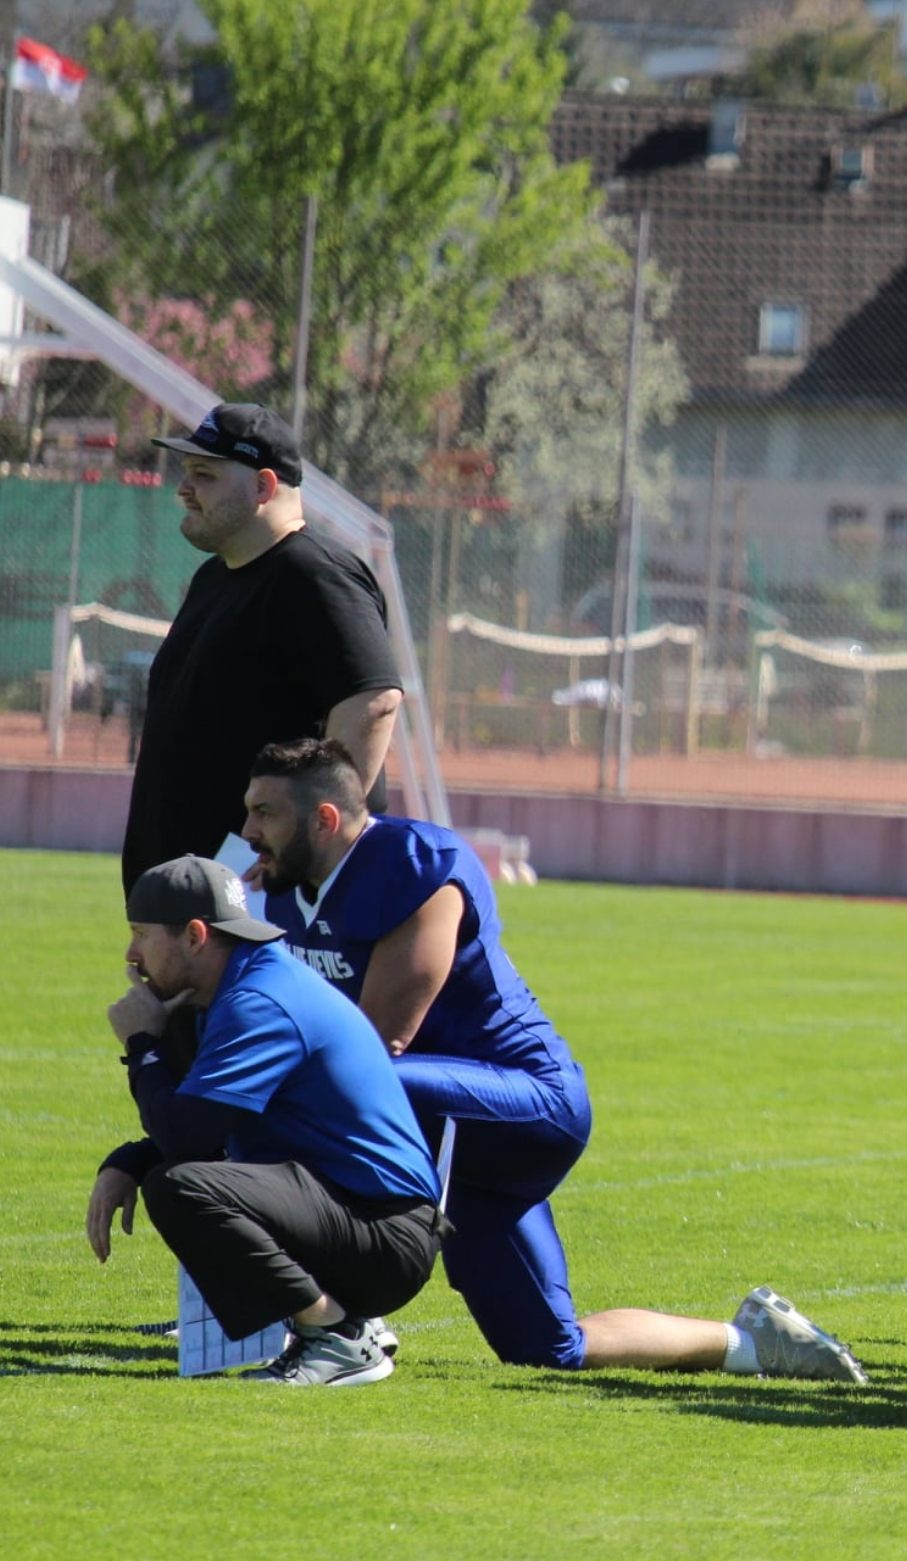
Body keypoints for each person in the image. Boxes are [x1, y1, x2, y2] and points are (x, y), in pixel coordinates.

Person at [238, 737, 866, 1383]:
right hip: (448, 1126)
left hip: (528, 1102)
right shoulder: (286, 891)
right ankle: (753, 1339)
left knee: (322, 1091)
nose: (249, 832)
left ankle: (341, 1321)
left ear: (324, 819)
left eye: (266, 812)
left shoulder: (416, 864)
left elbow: (378, 1042)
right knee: (545, 1346)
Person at [87, 855, 442, 1386]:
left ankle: (338, 1338)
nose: (131, 955)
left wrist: (143, 1044)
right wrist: (132, 1159)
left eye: (141, 934)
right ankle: (338, 1319)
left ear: (194, 935)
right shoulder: (248, 984)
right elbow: (207, 1123)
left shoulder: (259, 1000)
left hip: (385, 1235)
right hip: (365, 1217)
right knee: (177, 1177)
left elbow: (188, 1138)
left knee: (181, 1188)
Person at [122, 403, 401, 894]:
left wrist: (309, 855)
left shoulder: (314, 574)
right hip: (194, 901)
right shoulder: (215, 577)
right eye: (186, 473)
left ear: (263, 487)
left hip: (259, 900)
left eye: (204, 475)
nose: (184, 489)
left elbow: (372, 702)